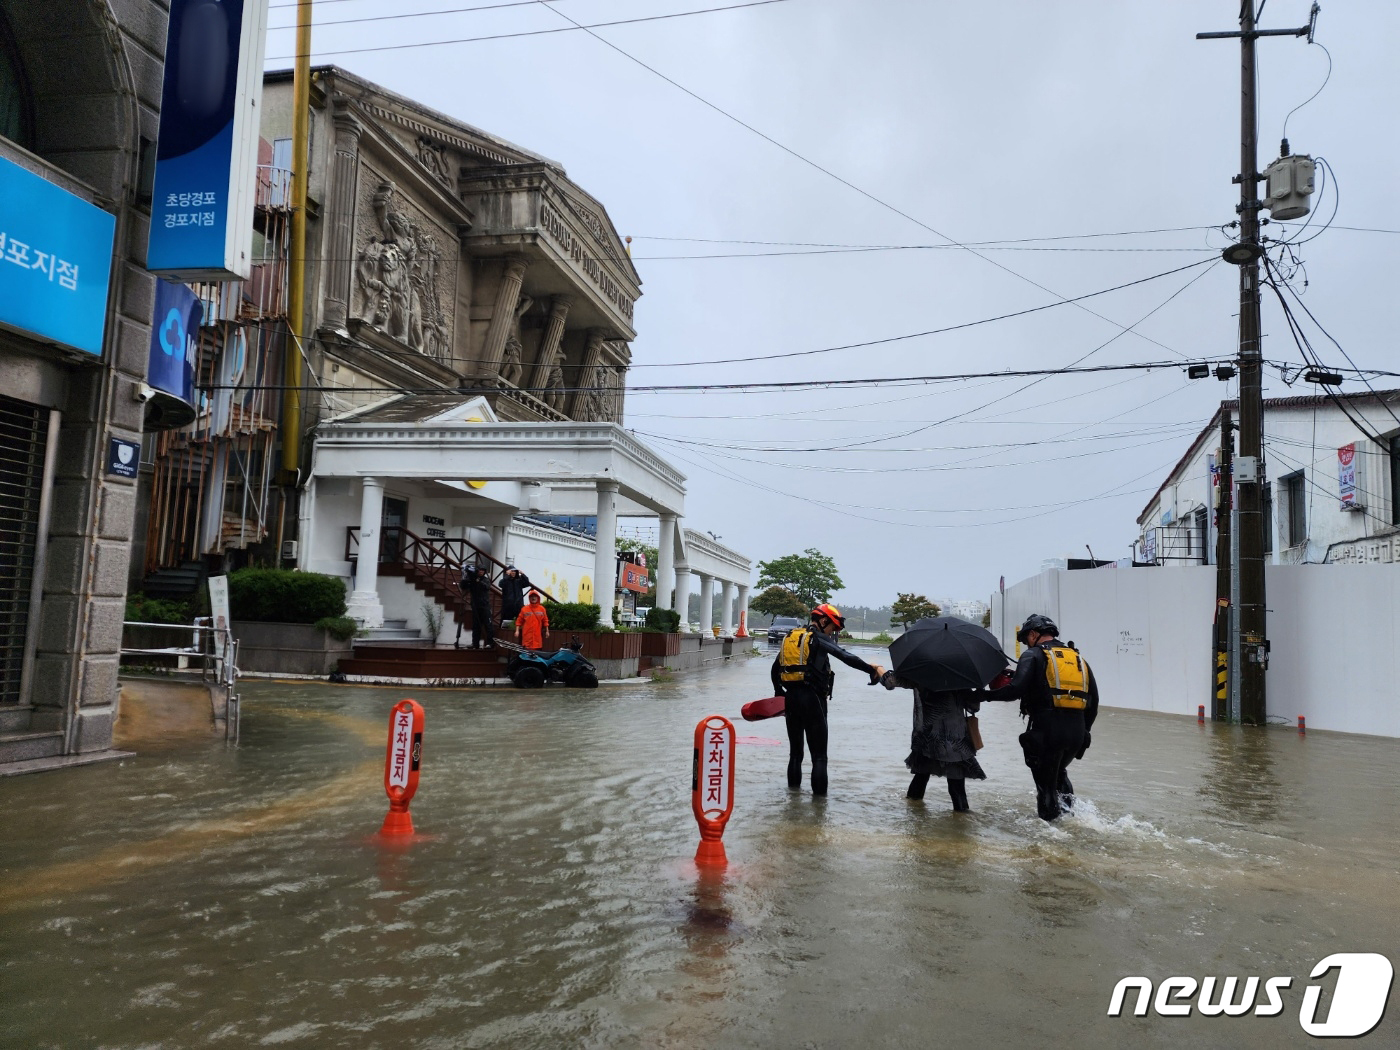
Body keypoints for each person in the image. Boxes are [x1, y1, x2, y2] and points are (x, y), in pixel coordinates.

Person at [984, 613, 1099, 821]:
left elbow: (1014, 691)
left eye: (1026, 639)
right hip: (1076, 734)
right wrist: (1085, 731)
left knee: (1045, 786)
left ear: (1033, 634)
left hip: (1047, 731)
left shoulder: (1033, 655)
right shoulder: (1078, 658)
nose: (1027, 644)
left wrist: (982, 696)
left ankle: (1051, 831)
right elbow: (1094, 701)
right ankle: (1069, 819)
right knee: (1059, 774)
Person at [770, 603, 885, 796]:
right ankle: (819, 808)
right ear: (823, 621)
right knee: (820, 757)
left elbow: (775, 670)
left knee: (795, 754)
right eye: (833, 627)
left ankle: (793, 800)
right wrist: (870, 670)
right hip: (812, 700)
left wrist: (778, 692)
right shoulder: (818, 638)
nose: (832, 633)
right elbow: (845, 656)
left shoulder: (793, 638)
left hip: (791, 699)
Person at [881, 674, 985, 811]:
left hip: (928, 740)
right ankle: (961, 821)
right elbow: (973, 707)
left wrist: (882, 673)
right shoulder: (959, 678)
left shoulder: (923, 675)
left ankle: (913, 818)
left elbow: (890, 682)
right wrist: (979, 689)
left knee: (919, 782)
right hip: (954, 742)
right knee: (957, 789)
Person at [463, 563, 495, 650]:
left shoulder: (486, 580)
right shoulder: (473, 579)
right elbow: (464, 586)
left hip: (485, 605)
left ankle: (490, 643)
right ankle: (475, 643)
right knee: (476, 625)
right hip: (475, 605)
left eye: (483, 570)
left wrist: (479, 581)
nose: (481, 572)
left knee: (488, 625)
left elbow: (486, 587)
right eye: (480, 570)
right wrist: (467, 577)